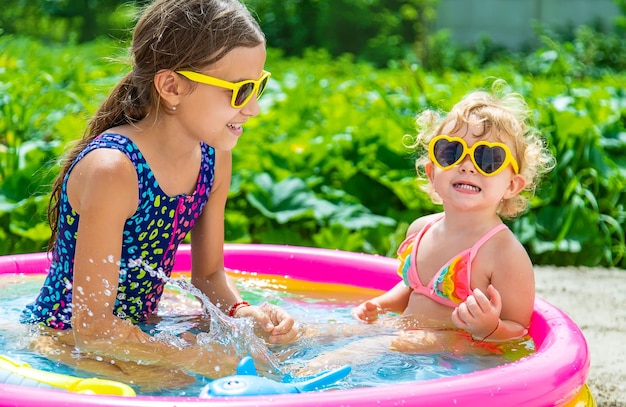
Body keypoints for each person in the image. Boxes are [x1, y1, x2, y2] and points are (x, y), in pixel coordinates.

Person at [20, 0, 297, 390]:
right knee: (182, 383)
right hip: (63, 340)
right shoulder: (114, 170)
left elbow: (209, 275)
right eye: (239, 92)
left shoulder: (213, 158)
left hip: (139, 331)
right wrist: (194, 357)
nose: (253, 109)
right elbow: (92, 328)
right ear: (172, 86)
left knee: (290, 348)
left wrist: (242, 311)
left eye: (258, 86)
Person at [304, 80, 555, 369]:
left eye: (488, 158)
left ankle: (304, 376)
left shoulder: (503, 253)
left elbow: (521, 331)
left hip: (453, 352)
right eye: (451, 152)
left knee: (361, 351)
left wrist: (489, 327)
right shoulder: (420, 230)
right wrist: (384, 304)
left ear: (512, 185)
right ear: (432, 171)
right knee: (324, 334)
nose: (467, 165)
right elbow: (414, 289)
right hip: (406, 336)